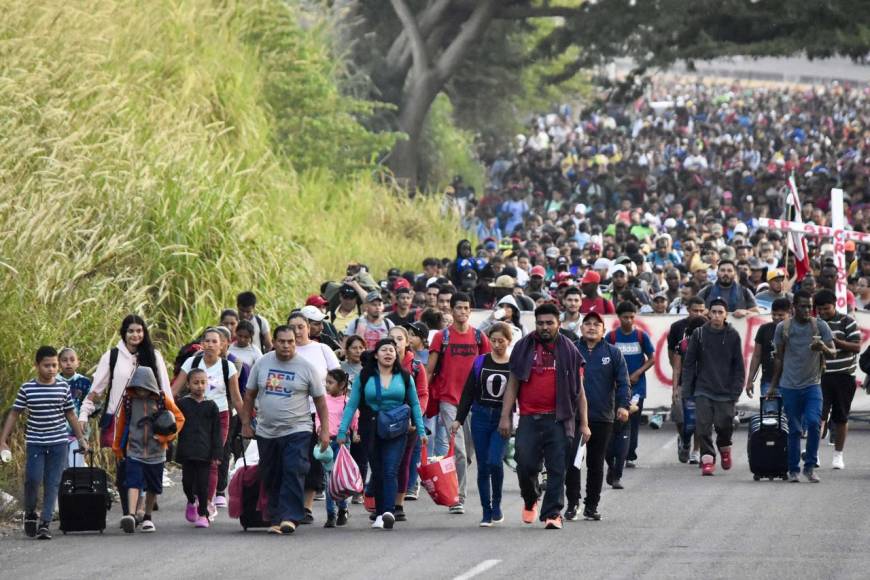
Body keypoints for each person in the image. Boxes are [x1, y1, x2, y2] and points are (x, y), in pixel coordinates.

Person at [498, 303, 590, 529]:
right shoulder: (523, 347)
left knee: (558, 467)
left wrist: (585, 424)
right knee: (525, 465)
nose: (545, 327)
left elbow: (580, 390)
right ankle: (531, 500)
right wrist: (506, 416)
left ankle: (553, 514)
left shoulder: (569, 350)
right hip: (529, 417)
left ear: (558, 323)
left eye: (549, 323)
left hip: (559, 419)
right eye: (540, 323)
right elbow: (513, 383)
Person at [78, 315, 173, 517]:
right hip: (120, 421)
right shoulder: (112, 356)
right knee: (125, 466)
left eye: (139, 331)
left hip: (150, 419)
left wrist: (169, 419)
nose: (135, 335)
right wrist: (84, 411)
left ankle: (140, 508)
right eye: (131, 331)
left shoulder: (153, 356)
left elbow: (164, 387)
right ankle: (129, 512)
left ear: (144, 332)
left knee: (146, 464)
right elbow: (98, 388)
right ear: (124, 333)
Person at [241, 326, 330, 535]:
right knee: (271, 474)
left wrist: (324, 430)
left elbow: (321, 402)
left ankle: (290, 517)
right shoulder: (262, 363)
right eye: (282, 341)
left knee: (293, 468)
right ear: (274, 342)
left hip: (298, 429)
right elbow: (249, 395)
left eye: (290, 341)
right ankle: (275, 517)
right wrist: (246, 423)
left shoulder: (306, 367)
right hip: (266, 431)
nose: (286, 345)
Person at [337, 338, 427, 530]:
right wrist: (342, 430)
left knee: (390, 469)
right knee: (377, 471)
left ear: (396, 355)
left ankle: (388, 512)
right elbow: (352, 404)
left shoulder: (404, 377)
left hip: (397, 429)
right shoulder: (365, 376)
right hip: (370, 427)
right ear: (376, 354)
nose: (388, 353)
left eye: (392, 351)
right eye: (384, 350)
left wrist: (420, 430)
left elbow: (415, 404)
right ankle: (379, 513)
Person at [0, 346, 89, 540]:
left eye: (54, 365)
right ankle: (31, 513)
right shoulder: (27, 388)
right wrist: (3, 440)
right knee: (32, 479)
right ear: (37, 366)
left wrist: (81, 439)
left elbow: (71, 414)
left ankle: (45, 524)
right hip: (35, 442)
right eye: (46, 365)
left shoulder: (63, 387)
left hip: (59, 442)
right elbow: (15, 413)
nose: (51, 369)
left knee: (53, 483)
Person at [427, 292, 492, 515]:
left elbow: (488, 367)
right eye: (458, 308)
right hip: (449, 400)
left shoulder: (478, 337)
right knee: (460, 451)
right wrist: (423, 398)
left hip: (474, 402)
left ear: (470, 311)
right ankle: (458, 497)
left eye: (466, 308)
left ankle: (458, 475)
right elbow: (429, 369)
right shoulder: (441, 337)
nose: (462, 312)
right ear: (451, 311)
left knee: (470, 452)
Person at [171, 328, 242, 518]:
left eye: (214, 341)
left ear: (222, 345)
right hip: (192, 415)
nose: (210, 345)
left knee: (212, 460)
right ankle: (193, 498)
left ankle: (207, 504)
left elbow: (236, 398)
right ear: (202, 344)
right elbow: (175, 390)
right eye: (207, 341)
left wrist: (247, 423)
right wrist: (163, 413)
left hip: (219, 415)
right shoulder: (192, 362)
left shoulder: (228, 367)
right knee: (192, 460)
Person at [767, 290, 835, 483]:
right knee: (795, 429)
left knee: (814, 424)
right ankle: (793, 469)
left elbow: (833, 353)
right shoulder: (783, 328)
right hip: (789, 386)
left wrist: (822, 347)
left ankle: (810, 466)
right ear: (793, 307)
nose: (807, 310)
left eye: (809, 306)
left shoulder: (820, 325)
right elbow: (779, 358)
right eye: (803, 306)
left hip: (813, 384)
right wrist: (773, 385)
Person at [450, 323, 513, 526]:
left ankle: (497, 504)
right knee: (483, 465)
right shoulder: (480, 362)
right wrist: (459, 419)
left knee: (495, 460)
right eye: (493, 341)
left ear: (508, 341)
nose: (496, 345)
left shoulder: (514, 365)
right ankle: (486, 511)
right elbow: (468, 391)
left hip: (502, 419)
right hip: (480, 416)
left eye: (501, 341)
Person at [571, 312, 630, 520]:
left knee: (595, 464)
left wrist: (623, 406)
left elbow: (623, 382)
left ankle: (591, 506)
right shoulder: (572, 350)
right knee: (573, 462)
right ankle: (572, 503)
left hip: (602, 416)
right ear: (581, 328)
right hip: (574, 417)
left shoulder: (613, 353)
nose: (592, 327)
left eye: (597, 324)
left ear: (604, 330)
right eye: (587, 324)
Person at [113, 366, 185, 534]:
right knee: (133, 482)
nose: (141, 391)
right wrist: (117, 447)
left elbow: (179, 418)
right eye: (137, 388)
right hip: (134, 449)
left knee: (153, 487)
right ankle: (130, 515)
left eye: (144, 388)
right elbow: (121, 423)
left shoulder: (161, 398)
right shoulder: (129, 400)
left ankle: (147, 517)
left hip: (157, 452)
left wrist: (166, 438)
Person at [681, 298, 745, 476]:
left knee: (724, 425)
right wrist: (686, 389)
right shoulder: (699, 334)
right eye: (714, 312)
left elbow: (739, 366)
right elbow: (689, 363)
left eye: (720, 312)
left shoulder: (733, 336)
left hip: (725, 391)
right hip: (703, 388)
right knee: (702, 426)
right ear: (709, 313)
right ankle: (708, 459)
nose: (716, 316)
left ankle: (725, 449)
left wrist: (736, 390)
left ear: (726, 315)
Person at [287, 311, 340, 524]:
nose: (298, 332)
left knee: (313, 460)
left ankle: (307, 506)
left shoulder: (321, 349)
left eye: (301, 327)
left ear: (309, 327)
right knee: (292, 461)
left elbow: (338, 378)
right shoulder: (282, 352)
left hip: (316, 413)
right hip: (289, 415)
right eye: (293, 327)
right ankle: (291, 503)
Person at [814, 289, 860, 470]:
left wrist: (834, 342)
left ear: (834, 305)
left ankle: (838, 455)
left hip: (844, 376)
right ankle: (813, 454)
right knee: (818, 417)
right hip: (820, 376)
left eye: (826, 309)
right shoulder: (814, 324)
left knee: (841, 417)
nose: (823, 313)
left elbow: (856, 347)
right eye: (820, 310)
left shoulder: (847, 321)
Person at [606, 302, 655, 473]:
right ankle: (613, 453)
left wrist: (637, 373)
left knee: (632, 421)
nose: (628, 320)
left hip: (637, 388)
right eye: (625, 317)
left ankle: (630, 454)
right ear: (618, 318)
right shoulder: (611, 337)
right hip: (616, 388)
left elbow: (652, 358)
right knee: (614, 421)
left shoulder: (642, 336)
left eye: (631, 317)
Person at [176, 368, 222, 529]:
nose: (200, 386)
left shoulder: (211, 406)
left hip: (205, 452)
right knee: (187, 483)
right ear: (188, 385)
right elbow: (174, 425)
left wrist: (217, 453)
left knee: (203, 484)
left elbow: (216, 432)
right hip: (187, 451)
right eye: (196, 383)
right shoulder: (182, 404)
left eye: (203, 382)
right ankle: (191, 501)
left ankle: (203, 514)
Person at [667, 297, 706, 464]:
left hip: (703, 386)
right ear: (687, 309)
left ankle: (696, 451)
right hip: (684, 383)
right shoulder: (679, 333)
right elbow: (675, 365)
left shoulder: (710, 333)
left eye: (701, 310)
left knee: (699, 419)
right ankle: (684, 440)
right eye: (694, 310)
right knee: (681, 418)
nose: (698, 313)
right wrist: (675, 388)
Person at [316, 369, 356, 528]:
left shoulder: (347, 401)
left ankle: (343, 508)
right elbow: (318, 417)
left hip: (342, 442)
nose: (327, 386)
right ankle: (331, 514)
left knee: (340, 478)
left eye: (330, 383)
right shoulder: (323, 400)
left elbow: (354, 416)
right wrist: (319, 429)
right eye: (326, 382)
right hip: (326, 441)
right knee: (328, 480)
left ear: (341, 385)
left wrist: (355, 432)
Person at [746, 297, 791, 398]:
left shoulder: (795, 330)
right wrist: (750, 380)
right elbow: (756, 356)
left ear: (790, 313)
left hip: (791, 383)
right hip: (768, 380)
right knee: (770, 413)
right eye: (774, 314)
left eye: (780, 315)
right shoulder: (764, 329)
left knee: (789, 413)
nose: (776, 318)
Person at [57, 347, 92, 466]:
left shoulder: (84, 382)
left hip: (77, 433)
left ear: (78, 362)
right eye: (64, 360)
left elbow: (89, 407)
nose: (68, 363)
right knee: (59, 467)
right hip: (56, 433)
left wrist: (84, 435)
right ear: (58, 363)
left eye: (72, 360)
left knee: (76, 466)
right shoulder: (54, 382)